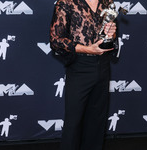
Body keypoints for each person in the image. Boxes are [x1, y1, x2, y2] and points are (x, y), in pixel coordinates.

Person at [50, 0, 118, 150]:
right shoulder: (66, 3)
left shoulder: (107, 2)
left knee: (97, 123)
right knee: (73, 123)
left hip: (103, 66)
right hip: (80, 67)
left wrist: (112, 35)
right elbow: (56, 40)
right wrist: (88, 49)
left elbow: (111, 38)